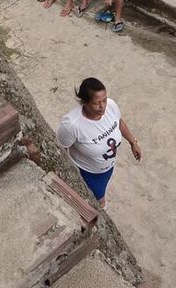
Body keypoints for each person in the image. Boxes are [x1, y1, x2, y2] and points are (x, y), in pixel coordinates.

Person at [57, 77, 142, 208]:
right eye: (96, 103)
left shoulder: (111, 106)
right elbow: (60, 149)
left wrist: (132, 142)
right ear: (85, 102)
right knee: (99, 201)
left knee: (100, 196)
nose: (102, 106)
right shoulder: (72, 125)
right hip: (88, 173)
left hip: (108, 168)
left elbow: (118, 122)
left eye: (104, 100)